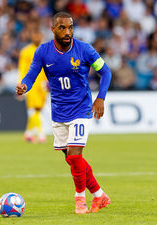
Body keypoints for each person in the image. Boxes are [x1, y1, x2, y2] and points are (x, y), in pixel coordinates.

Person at [16, 12, 112, 214]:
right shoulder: (43, 52)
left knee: (76, 157)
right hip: (59, 112)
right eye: (62, 28)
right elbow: (32, 74)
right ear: (53, 29)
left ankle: (80, 200)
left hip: (81, 108)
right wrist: (24, 85)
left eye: (70, 27)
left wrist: (101, 97)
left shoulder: (84, 50)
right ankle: (99, 195)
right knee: (70, 159)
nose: (67, 32)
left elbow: (106, 72)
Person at [18, 30, 48, 143]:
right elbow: (22, 69)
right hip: (30, 84)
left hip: (43, 84)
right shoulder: (25, 51)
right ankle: (41, 133)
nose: (37, 37)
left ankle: (28, 133)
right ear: (31, 36)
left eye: (39, 35)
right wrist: (21, 84)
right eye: (35, 35)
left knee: (39, 109)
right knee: (33, 109)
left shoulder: (45, 50)